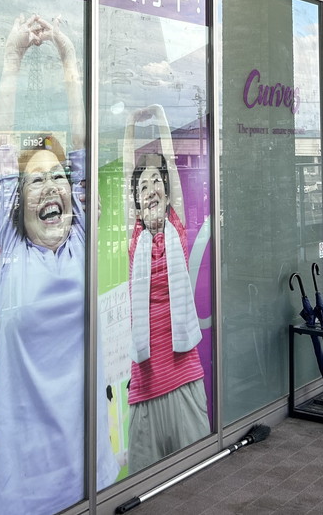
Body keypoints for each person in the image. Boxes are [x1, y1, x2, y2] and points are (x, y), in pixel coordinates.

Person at [0, 14, 118, 515]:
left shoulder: (79, 237)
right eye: (36, 180)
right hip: (25, 486)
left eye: (58, 176)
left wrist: (69, 57)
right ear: (16, 201)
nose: (51, 186)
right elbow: (0, 151)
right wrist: (13, 56)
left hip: (88, 470)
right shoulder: (12, 250)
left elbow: (82, 146)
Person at [123, 105, 209, 473]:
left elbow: (171, 162)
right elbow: (127, 167)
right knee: (146, 486)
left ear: (166, 190)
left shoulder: (177, 228)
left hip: (184, 374)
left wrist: (160, 116)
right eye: (143, 187)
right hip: (145, 383)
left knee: (198, 477)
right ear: (137, 202)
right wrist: (129, 124)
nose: (150, 189)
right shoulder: (134, 239)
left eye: (156, 182)